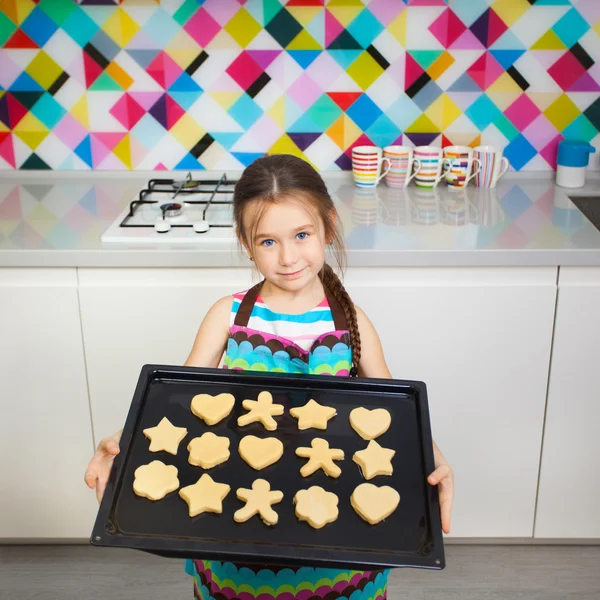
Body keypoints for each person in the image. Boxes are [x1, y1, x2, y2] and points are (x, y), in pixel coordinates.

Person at [85, 154, 454, 599]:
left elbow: (400, 411)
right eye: (268, 242)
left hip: (334, 530)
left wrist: (435, 459)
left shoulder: (352, 320)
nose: (288, 257)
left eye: (301, 235)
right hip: (238, 528)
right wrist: (119, 443)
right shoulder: (228, 315)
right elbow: (170, 400)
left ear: (328, 226)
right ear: (245, 242)